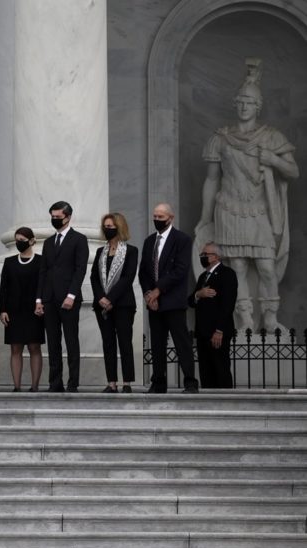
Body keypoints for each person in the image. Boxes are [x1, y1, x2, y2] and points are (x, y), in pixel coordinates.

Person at [198, 58, 299, 333]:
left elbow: (293, 171)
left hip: (259, 209)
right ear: (235, 104)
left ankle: (269, 318)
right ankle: (244, 321)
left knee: (266, 266)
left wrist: (273, 160)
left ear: (258, 106)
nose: (244, 106)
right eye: (240, 102)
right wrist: (204, 218)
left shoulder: (271, 137)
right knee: (237, 268)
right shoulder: (220, 137)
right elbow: (211, 179)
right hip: (228, 208)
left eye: (249, 103)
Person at [139, 203, 198, 393]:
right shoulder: (149, 241)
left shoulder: (182, 240)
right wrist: (149, 294)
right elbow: (144, 272)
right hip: (153, 303)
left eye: (161, 217)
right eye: (155, 217)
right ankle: (158, 381)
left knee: (181, 342)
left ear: (170, 218)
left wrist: (158, 291)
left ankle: (190, 381)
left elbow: (179, 270)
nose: (157, 220)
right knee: (156, 343)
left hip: (173, 301)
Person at [36, 201, 88, 392]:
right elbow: (43, 271)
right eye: (52, 217)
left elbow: (80, 269)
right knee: (53, 342)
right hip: (49, 299)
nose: (55, 220)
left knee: (71, 341)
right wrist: (39, 300)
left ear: (68, 217)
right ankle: (54, 382)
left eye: (58, 217)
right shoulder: (49, 242)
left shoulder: (79, 239)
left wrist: (71, 295)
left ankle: (73, 382)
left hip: (69, 299)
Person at [89, 213, 140, 394]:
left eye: (110, 226)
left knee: (124, 342)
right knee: (108, 343)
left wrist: (111, 298)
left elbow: (128, 277)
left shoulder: (131, 251)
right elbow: (94, 277)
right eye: (105, 226)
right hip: (102, 305)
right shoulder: (100, 252)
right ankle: (111, 382)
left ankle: (127, 382)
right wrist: (101, 297)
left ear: (119, 227)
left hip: (123, 304)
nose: (107, 229)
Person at [0, 227, 44, 392]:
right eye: (17, 240)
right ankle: (16, 386)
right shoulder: (9, 262)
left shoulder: (41, 261)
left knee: (34, 347)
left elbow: (43, 285)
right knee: (15, 348)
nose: (19, 243)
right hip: (14, 311)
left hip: (34, 311)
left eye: (22, 240)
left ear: (31, 241)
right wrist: (2, 310)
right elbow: (4, 288)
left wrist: (41, 303)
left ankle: (35, 386)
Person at [191, 242, 238, 389]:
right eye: (202, 254)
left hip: (217, 332)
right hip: (202, 332)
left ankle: (227, 405)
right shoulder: (203, 277)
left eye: (206, 254)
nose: (202, 257)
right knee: (206, 372)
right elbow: (190, 301)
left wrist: (219, 330)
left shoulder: (227, 274)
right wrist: (199, 294)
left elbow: (227, 305)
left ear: (216, 257)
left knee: (221, 369)